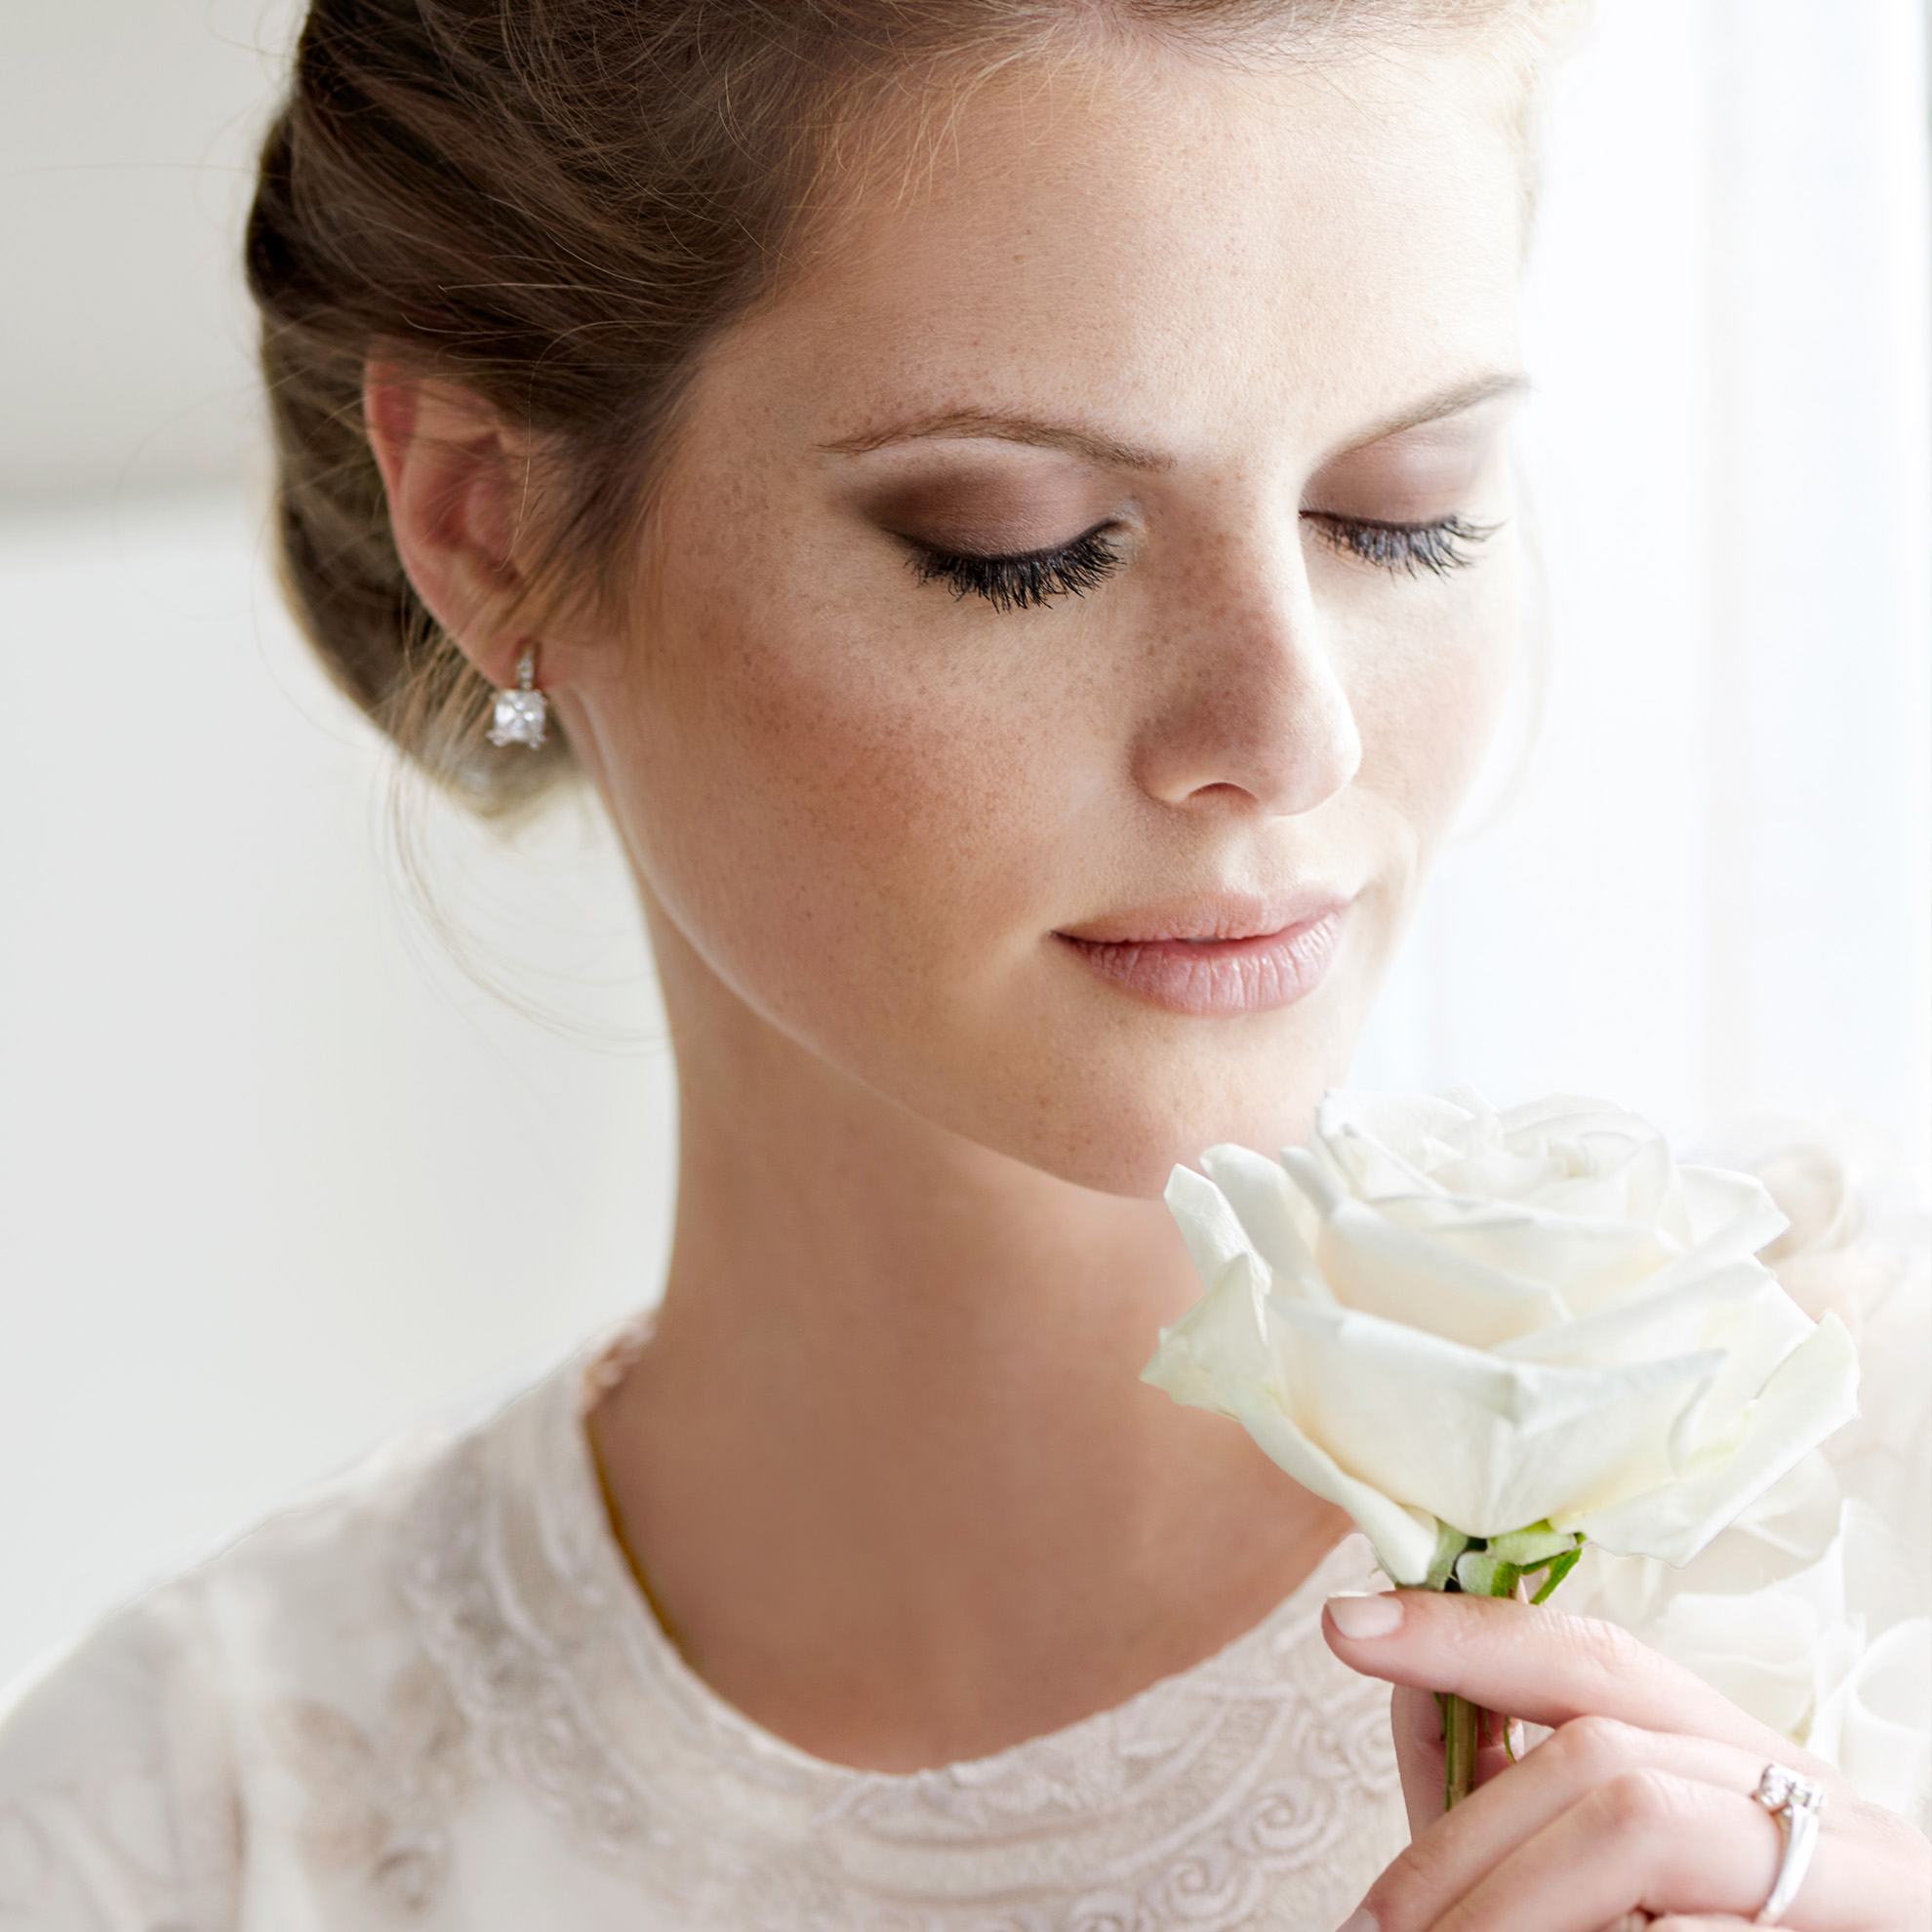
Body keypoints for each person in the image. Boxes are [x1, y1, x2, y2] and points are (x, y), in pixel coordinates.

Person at [3, 1, 1928, 1926]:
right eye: (1027, 545)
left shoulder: (1869, 1491)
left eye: (1400, 518)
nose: (1293, 731)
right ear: (486, 520)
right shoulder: (182, 1828)